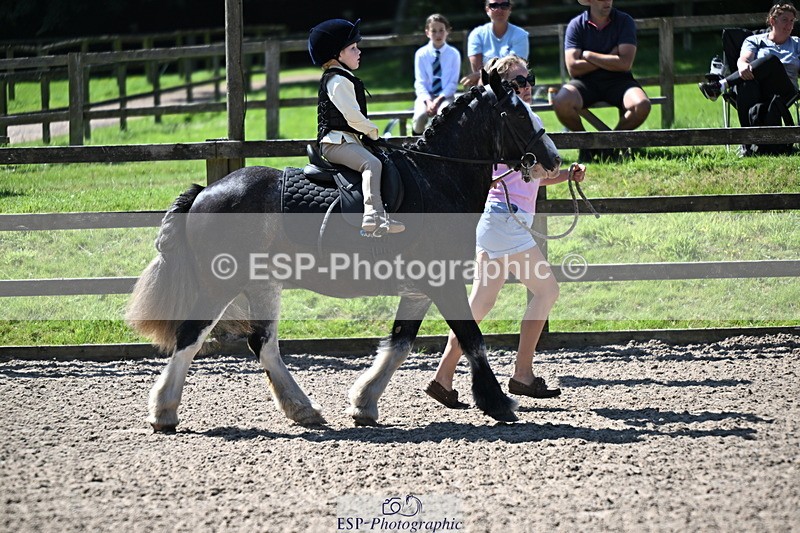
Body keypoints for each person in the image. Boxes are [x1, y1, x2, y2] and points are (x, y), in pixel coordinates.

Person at [425, 55, 587, 409]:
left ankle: (442, 378)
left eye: (528, 78)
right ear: (502, 89)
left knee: (479, 306)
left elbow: (538, 172)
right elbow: (522, 171)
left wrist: (566, 174)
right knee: (546, 290)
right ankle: (523, 374)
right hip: (505, 220)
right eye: (517, 82)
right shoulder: (504, 124)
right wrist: (551, 172)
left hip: (500, 221)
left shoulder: (523, 120)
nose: (526, 86)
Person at [308, 18, 405, 234]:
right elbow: (352, 117)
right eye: (352, 48)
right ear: (337, 55)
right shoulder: (337, 80)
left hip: (346, 140)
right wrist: (373, 132)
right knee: (371, 164)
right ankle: (372, 215)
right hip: (335, 144)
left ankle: (386, 212)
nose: (359, 51)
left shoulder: (343, 77)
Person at [552, 0, 651, 162]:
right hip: (584, 82)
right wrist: (611, 57)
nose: (607, 2)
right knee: (561, 102)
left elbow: (625, 63)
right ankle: (586, 145)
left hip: (620, 81)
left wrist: (589, 55)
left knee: (641, 105)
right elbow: (573, 68)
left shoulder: (624, 21)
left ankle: (609, 144)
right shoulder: (576, 25)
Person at [698, 3, 800, 154]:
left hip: (785, 90)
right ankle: (748, 144)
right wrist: (743, 66)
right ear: (772, 21)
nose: (789, 25)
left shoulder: (797, 43)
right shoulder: (755, 40)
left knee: (771, 60)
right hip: (758, 88)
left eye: (792, 21)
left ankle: (720, 85)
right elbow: (743, 60)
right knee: (746, 83)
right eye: (785, 20)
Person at [460, 0, 530, 88]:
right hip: (486, 83)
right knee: (483, 80)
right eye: (494, 5)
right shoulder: (476, 34)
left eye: (504, 5)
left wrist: (480, 74)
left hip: (514, 83)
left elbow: (515, 67)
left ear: (510, 9)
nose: (499, 10)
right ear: (487, 10)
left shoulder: (520, 34)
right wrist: (482, 74)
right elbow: (478, 69)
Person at [412, 14, 462, 136]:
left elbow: (452, 83)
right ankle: (415, 144)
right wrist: (429, 102)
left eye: (441, 30)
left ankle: (439, 146)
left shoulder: (453, 54)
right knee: (420, 117)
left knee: (443, 116)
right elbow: (420, 81)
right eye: (433, 31)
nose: (438, 35)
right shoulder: (421, 54)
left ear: (447, 31)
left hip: (445, 96)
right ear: (427, 33)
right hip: (426, 96)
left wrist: (438, 100)